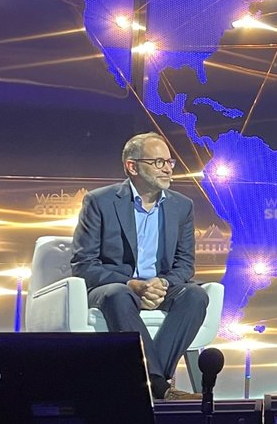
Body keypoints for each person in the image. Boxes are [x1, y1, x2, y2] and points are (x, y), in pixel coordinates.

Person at [71, 133, 210, 400]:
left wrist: (163, 283)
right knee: (119, 295)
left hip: (160, 286)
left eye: (170, 162)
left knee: (195, 295)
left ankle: (150, 381)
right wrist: (131, 283)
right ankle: (160, 386)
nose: (168, 168)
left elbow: (185, 265)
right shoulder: (99, 201)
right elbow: (83, 264)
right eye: (158, 162)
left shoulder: (182, 206)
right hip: (115, 288)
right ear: (132, 167)